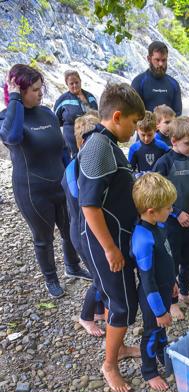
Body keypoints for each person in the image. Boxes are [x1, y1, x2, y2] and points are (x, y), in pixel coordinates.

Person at [0, 64, 90, 299]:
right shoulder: (8, 117)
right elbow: (12, 136)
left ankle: (73, 267)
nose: (41, 93)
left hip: (58, 183)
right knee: (43, 238)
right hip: (32, 190)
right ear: (20, 91)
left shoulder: (47, 113)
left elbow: (62, 149)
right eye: (35, 90)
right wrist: (15, 101)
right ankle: (51, 279)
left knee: (70, 227)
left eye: (41, 88)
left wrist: (73, 179)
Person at [78, 82, 145, 392]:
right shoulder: (98, 147)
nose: (135, 130)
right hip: (102, 241)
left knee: (113, 297)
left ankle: (118, 348)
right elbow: (88, 205)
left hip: (116, 236)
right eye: (133, 123)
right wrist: (109, 249)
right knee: (122, 303)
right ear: (117, 116)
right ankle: (110, 365)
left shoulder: (107, 144)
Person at [153, 117, 189, 320]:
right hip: (170, 224)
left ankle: (184, 293)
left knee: (188, 261)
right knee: (171, 264)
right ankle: (171, 302)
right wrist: (176, 212)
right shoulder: (164, 162)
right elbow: (157, 195)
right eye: (188, 143)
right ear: (174, 140)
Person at [131, 172, 177, 391]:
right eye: (168, 207)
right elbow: (147, 281)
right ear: (152, 211)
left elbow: (167, 257)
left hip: (165, 288)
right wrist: (159, 311)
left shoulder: (158, 227)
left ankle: (163, 353)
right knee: (152, 331)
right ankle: (148, 371)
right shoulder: (142, 238)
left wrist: (173, 282)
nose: (171, 210)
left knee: (162, 331)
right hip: (152, 298)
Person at [62, 112, 106, 337]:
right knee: (99, 276)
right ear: (81, 142)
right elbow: (85, 201)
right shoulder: (73, 169)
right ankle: (86, 316)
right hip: (81, 231)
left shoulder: (91, 163)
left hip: (88, 228)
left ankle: (99, 310)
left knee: (100, 272)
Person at [54, 70, 98, 156]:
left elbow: (97, 116)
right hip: (71, 139)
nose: (75, 85)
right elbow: (55, 120)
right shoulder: (62, 100)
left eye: (76, 82)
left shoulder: (90, 97)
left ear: (80, 81)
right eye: (71, 83)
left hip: (92, 137)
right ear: (67, 84)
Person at [131, 41, 182, 116]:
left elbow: (177, 113)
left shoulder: (174, 84)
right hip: (145, 127)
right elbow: (134, 113)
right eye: (157, 60)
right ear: (149, 59)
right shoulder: (138, 82)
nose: (161, 64)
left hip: (168, 127)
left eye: (164, 60)